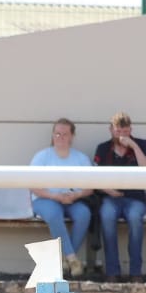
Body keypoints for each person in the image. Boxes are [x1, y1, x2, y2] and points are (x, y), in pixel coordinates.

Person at [91, 113, 146, 281]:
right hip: (110, 197)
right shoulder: (103, 148)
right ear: (111, 130)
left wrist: (132, 145)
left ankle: (135, 272)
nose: (122, 135)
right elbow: (94, 178)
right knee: (107, 216)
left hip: (135, 197)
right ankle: (112, 271)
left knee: (135, 219)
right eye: (118, 131)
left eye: (125, 131)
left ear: (131, 130)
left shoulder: (141, 144)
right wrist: (109, 190)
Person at [29, 118, 92, 279]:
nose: (60, 137)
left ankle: (64, 260)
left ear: (72, 136)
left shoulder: (81, 158)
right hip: (46, 199)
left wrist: (76, 195)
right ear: (52, 135)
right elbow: (33, 186)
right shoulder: (42, 157)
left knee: (84, 214)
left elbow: (90, 187)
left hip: (73, 200)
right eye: (57, 133)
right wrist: (55, 196)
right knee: (53, 215)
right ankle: (72, 258)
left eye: (65, 134)